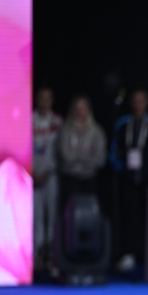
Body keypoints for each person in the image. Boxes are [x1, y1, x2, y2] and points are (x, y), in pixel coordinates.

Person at [109, 87, 148, 273]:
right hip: (127, 179)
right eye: (135, 101)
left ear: (147, 102)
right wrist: (121, 168)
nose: (138, 105)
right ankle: (128, 255)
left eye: (141, 100)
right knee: (128, 217)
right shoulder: (122, 124)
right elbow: (113, 149)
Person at [32, 86, 63, 271]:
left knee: (52, 215)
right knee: (36, 218)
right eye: (41, 98)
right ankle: (36, 256)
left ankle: (51, 255)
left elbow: (60, 151)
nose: (44, 102)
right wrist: (32, 173)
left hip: (51, 175)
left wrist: (48, 171)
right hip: (33, 176)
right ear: (37, 99)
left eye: (48, 98)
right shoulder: (29, 120)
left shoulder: (57, 121)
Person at [57, 94, 107, 208]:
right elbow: (65, 156)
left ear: (88, 109)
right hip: (70, 177)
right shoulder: (65, 129)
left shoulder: (97, 131)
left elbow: (100, 159)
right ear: (73, 110)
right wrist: (88, 155)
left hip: (89, 178)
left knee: (89, 213)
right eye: (77, 108)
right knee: (69, 212)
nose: (80, 111)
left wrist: (76, 155)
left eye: (83, 108)